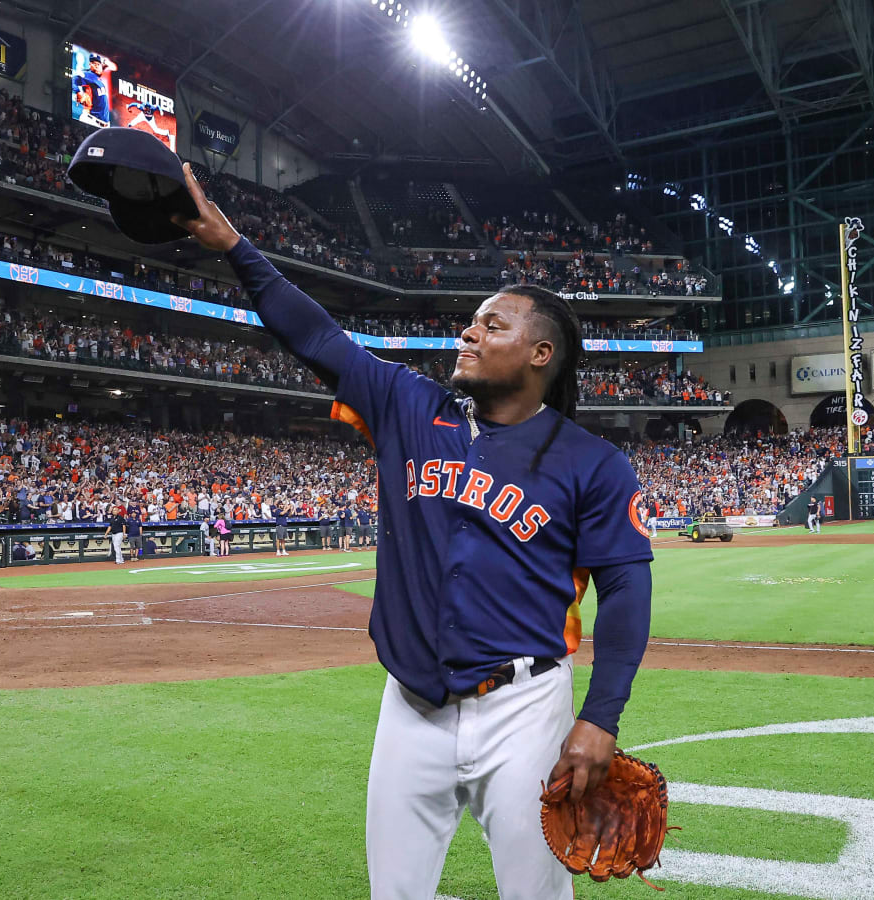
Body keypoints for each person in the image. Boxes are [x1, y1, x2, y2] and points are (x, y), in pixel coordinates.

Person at [172, 162, 654, 900]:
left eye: (494, 324)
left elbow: (625, 587)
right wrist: (235, 246)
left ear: (540, 355)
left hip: (524, 711)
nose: (469, 330)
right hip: (411, 706)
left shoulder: (592, 462)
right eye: (472, 318)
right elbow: (317, 337)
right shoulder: (407, 406)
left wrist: (601, 718)